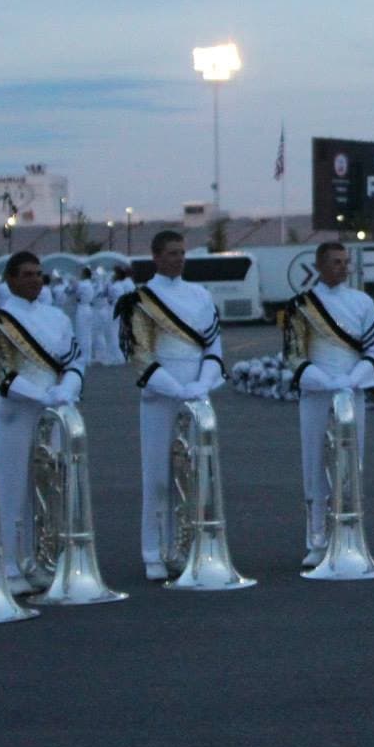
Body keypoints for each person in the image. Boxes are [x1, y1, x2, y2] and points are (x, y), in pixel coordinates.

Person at [0, 251, 84, 586]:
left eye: (39, 274)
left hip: (52, 411)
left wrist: (67, 389)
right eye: (27, 274)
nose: (35, 280)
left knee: (51, 488)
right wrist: (43, 395)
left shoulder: (57, 318)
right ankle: (9, 566)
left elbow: (75, 360)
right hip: (16, 413)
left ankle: (43, 560)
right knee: (12, 490)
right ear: (10, 280)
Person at [123, 231, 224, 581]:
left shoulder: (200, 295)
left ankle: (193, 547)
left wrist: (201, 385)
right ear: (155, 256)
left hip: (197, 394)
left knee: (199, 475)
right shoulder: (141, 299)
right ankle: (154, 552)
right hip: (160, 396)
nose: (178, 259)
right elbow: (140, 356)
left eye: (181, 253)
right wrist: (176, 388)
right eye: (170, 253)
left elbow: (214, 349)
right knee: (158, 478)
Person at [282, 242, 374, 566]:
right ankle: (316, 540)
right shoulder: (301, 305)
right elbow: (294, 354)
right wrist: (327, 382)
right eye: (336, 262)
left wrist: (353, 379)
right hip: (317, 393)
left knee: (352, 465)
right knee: (314, 466)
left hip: (351, 391)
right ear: (320, 266)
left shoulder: (362, 302)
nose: (343, 267)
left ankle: (351, 535)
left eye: (345, 262)